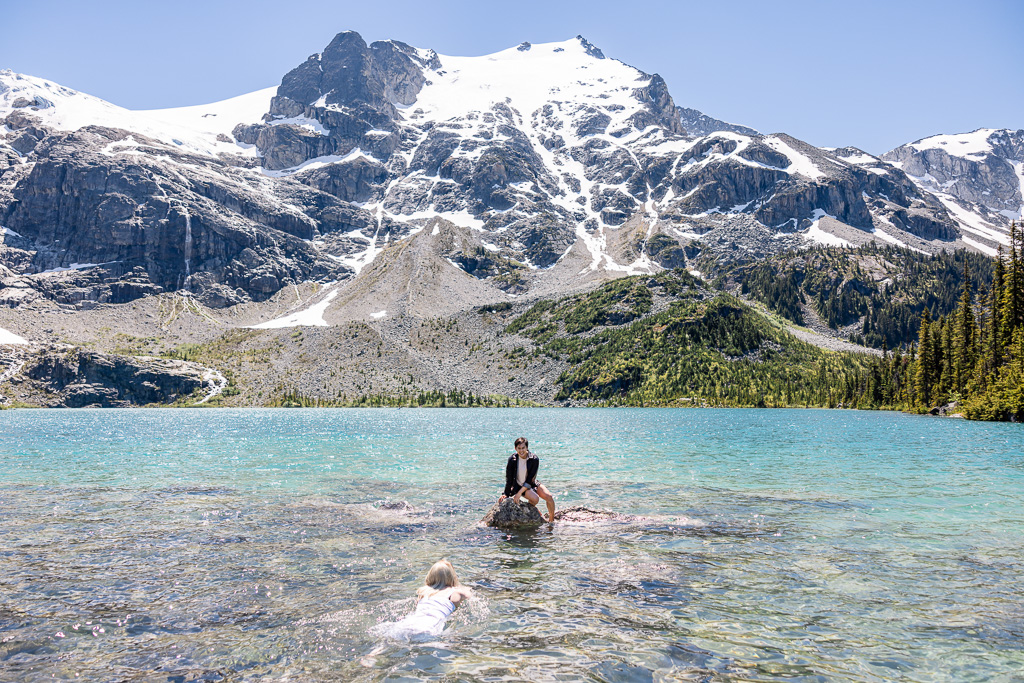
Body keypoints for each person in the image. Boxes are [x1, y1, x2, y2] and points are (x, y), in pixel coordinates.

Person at [373, 559, 472, 640]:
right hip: (429, 626)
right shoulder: (455, 592)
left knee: (389, 641)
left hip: (409, 622)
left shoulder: (424, 592)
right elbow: (470, 595)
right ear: (452, 576)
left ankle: (373, 655)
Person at [499, 437, 556, 522]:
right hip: (518, 485)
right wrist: (506, 494)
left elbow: (530, 479)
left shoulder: (534, 459)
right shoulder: (512, 459)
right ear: (515, 448)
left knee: (549, 497)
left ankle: (551, 521)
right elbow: (509, 478)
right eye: (519, 448)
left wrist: (519, 494)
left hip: (531, 483)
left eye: (523, 448)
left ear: (527, 448)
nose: (521, 451)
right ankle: (534, 510)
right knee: (535, 499)